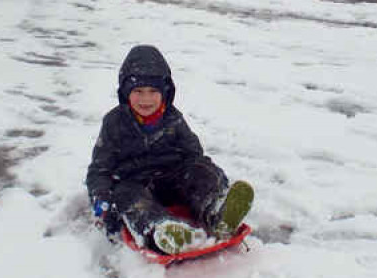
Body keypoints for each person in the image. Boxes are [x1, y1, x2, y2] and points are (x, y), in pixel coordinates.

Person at [86, 45, 253, 255]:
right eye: (138, 91)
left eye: (153, 91)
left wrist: (210, 176)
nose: (146, 99)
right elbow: (99, 170)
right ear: (125, 92)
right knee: (127, 196)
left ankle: (217, 212)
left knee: (199, 170)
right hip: (136, 184)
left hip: (173, 181)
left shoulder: (173, 119)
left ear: (165, 92)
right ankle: (162, 230)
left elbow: (194, 154)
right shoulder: (114, 123)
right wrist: (102, 200)